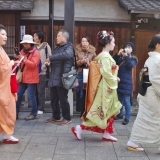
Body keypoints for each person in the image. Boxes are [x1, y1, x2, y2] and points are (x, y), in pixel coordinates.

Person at [71, 30, 121, 141]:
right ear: (107, 43)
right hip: (106, 87)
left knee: (107, 110)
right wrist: (115, 77)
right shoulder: (105, 57)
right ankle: (80, 127)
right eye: (113, 42)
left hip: (106, 86)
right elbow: (106, 72)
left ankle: (107, 132)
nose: (114, 44)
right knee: (100, 111)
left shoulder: (104, 56)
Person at [127, 34, 160, 152]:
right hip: (154, 94)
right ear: (157, 45)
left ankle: (133, 141)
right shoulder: (157, 59)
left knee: (143, 118)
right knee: (154, 119)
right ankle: (133, 141)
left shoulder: (151, 59)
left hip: (147, 93)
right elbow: (157, 80)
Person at [45, 29, 74, 125]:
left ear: (64, 37)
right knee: (53, 99)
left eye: (58, 36)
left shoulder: (69, 47)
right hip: (54, 76)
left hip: (62, 77)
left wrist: (51, 58)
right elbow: (54, 59)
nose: (56, 38)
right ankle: (56, 116)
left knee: (63, 99)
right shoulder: (56, 48)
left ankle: (67, 117)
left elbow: (67, 55)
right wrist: (49, 62)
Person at [0, 24, 19, 144]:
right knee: (4, 111)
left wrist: (13, 63)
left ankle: (6, 134)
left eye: (6, 34)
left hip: (6, 85)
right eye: (2, 34)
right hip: (2, 86)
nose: (5, 37)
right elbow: (1, 69)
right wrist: (11, 63)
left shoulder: (2, 50)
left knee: (9, 110)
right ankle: (6, 134)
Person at [15, 35, 40, 120]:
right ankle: (15, 113)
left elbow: (33, 64)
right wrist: (18, 60)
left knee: (31, 96)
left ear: (30, 44)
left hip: (32, 78)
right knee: (18, 94)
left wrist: (24, 59)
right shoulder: (22, 51)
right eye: (24, 43)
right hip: (23, 77)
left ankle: (33, 113)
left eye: (27, 43)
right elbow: (22, 64)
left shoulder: (35, 52)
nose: (25, 45)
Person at [113, 42, 138, 125]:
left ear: (132, 49)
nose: (128, 48)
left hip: (127, 82)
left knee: (127, 100)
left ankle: (127, 117)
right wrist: (118, 54)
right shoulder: (121, 57)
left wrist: (126, 56)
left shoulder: (133, 59)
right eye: (127, 46)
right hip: (119, 81)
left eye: (130, 47)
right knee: (119, 100)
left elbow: (130, 65)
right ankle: (120, 114)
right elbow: (113, 61)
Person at [75, 36, 96, 116]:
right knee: (80, 91)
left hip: (89, 73)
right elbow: (75, 63)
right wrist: (81, 61)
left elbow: (95, 63)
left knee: (88, 92)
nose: (84, 43)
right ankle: (81, 111)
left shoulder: (92, 51)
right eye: (82, 41)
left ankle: (88, 110)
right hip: (80, 73)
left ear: (88, 42)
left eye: (85, 41)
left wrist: (88, 63)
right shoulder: (77, 51)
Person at [33, 30, 52, 115]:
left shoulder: (46, 46)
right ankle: (36, 107)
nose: (34, 37)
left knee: (41, 91)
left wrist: (45, 65)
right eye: (34, 36)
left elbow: (50, 58)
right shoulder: (33, 47)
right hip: (33, 72)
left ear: (39, 38)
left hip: (42, 72)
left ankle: (41, 108)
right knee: (34, 91)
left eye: (35, 36)